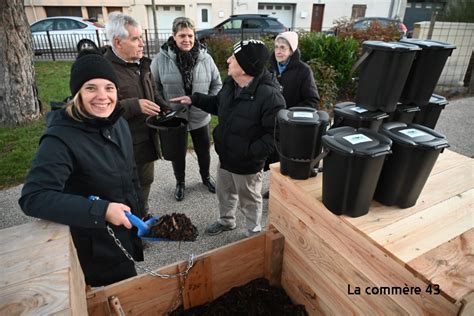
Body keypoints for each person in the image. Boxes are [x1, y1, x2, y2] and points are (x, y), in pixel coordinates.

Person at [19, 50, 143, 287]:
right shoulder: (60, 138)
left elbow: (131, 173)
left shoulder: (118, 123)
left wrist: (140, 214)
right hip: (95, 247)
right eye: (90, 88)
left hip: (123, 232)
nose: (102, 96)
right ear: (77, 93)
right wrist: (102, 210)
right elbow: (34, 197)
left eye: (109, 87)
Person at [171, 40, 286, 237]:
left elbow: (275, 136)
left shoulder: (270, 97)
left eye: (233, 58)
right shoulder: (232, 83)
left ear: (245, 67)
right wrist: (194, 99)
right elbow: (219, 104)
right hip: (226, 156)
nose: (228, 60)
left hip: (247, 163)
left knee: (249, 199)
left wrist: (250, 153)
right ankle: (226, 221)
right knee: (224, 193)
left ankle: (253, 232)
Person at [150, 17, 222, 202]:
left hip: (200, 115)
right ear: (174, 36)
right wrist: (164, 107)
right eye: (182, 35)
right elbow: (154, 86)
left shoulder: (206, 57)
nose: (187, 40)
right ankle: (180, 182)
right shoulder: (160, 59)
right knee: (177, 152)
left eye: (190, 35)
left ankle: (206, 177)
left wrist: (207, 102)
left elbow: (217, 84)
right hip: (174, 116)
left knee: (204, 150)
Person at [104, 12, 168, 215]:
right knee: (126, 189)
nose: (142, 43)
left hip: (145, 141)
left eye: (142, 37)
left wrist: (165, 107)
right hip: (122, 147)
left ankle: (142, 214)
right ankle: (130, 226)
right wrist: (133, 106)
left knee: (145, 181)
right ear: (118, 42)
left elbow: (152, 92)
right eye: (135, 39)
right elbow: (99, 112)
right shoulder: (105, 71)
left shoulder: (140, 64)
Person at [262, 31, 321, 198]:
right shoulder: (270, 68)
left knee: (286, 160)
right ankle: (275, 188)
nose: (278, 51)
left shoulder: (303, 71)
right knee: (274, 160)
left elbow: (312, 100)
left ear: (292, 50)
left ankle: (286, 193)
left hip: (291, 126)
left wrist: (290, 113)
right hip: (272, 123)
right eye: (276, 47)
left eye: (283, 48)